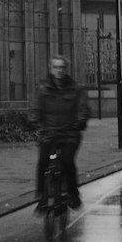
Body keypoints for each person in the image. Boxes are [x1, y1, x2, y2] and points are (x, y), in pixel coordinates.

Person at [30, 54, 89, 211]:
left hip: (69, 133)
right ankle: (42, 195)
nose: (59, 70)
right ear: (51, 69)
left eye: (62, 67)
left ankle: (72, 192)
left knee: (68, 161)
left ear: (66, 69)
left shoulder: (76, 89)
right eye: (56, 67)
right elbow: (36, 108)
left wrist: (79, 122)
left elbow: (82, 109)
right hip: (49, 132)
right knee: (43, 160)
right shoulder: (43, 89)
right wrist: (34, 121)